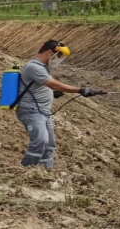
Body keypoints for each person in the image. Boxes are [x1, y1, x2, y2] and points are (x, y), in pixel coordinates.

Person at [16, 40, 104, 169]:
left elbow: (39, 87)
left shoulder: (42, 67)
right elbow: (53, 84)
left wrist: (52, 94)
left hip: (43, 111)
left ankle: (46, 170)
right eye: (57, 56)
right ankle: (26, 170)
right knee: (40, 141)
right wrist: (79, 90)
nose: (57, 60)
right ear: (49, 53)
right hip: (31, 111)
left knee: (49, 144)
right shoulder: (34, 67)